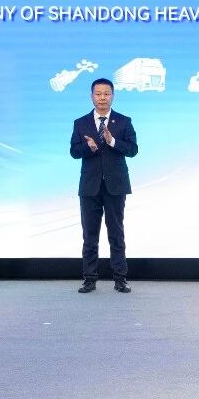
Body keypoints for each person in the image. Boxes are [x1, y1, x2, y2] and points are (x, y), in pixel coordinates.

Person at [70, 78, 138, 293]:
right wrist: (89, 148)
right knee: (89, 235)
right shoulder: (80, 123)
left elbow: (133, 150)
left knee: (116, 233)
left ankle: (120, 278)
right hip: (89, 186)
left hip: (115, 186)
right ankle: (89, 278)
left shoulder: (124, 121)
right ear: (92, 96)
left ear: (112, 96)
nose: (102, 98)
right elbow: (74, 152)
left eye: (106, 94)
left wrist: (112, 141)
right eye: (98, 94)